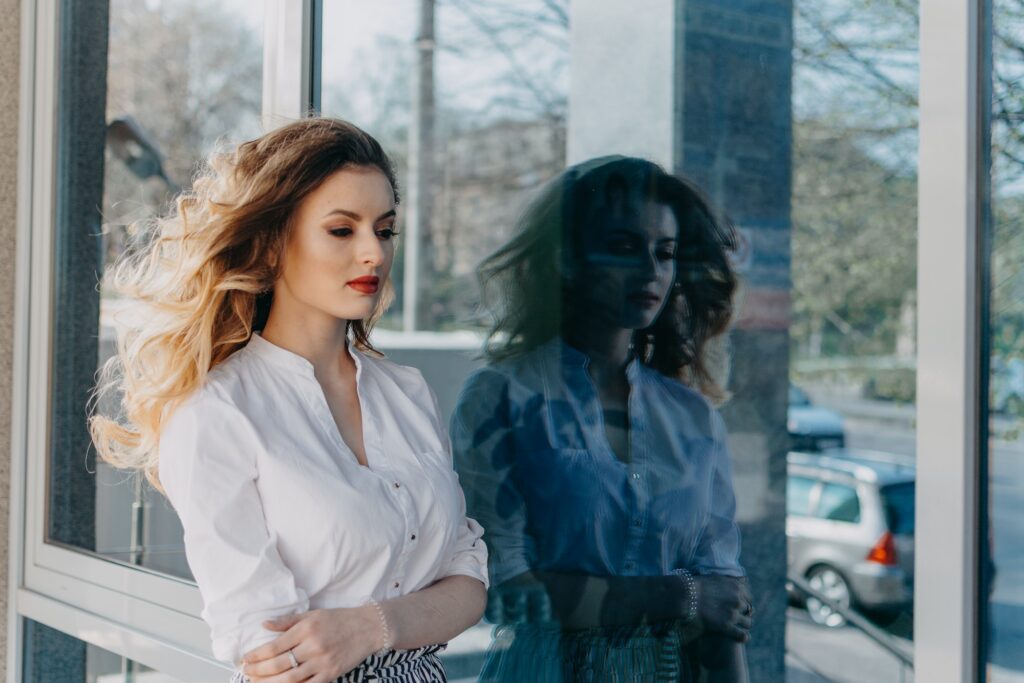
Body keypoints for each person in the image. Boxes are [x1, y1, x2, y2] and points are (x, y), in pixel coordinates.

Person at [89, 117, 489, 683]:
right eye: (342, 230)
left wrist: (368, 627)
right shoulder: (216, 413)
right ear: (274, 243)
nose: (373, 252)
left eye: (385, 229)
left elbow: (470, 582)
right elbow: (272, 653)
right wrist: (411, 617)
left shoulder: (407, 392)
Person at [450, 156, 752, 682]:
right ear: (568, 259)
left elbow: (724, 604)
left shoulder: (693, 417)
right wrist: (678, 595)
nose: (650, 271)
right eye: (624, 247)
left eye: (664, 253)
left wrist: (694, 600)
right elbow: (502, 592)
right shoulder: (501, 396)